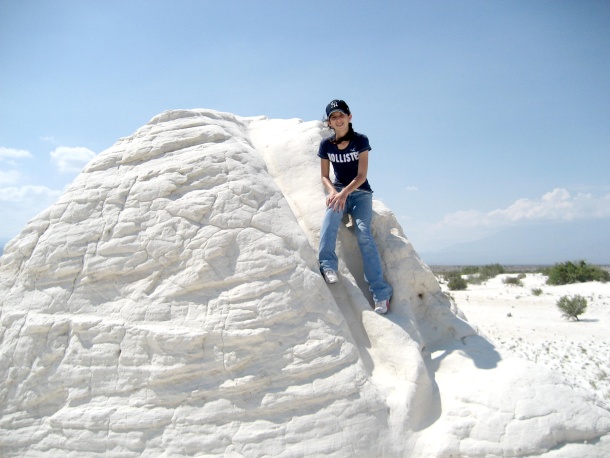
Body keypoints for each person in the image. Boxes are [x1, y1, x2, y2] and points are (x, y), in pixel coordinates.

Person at [317, 99, 393, 314]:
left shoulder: (360, 141)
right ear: (329, 123)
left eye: (341, 115)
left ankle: (381, 293)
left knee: (363, 233)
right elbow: (324, 176)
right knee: (330, 218)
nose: (338, 120)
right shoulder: (326, 145)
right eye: (333, 117)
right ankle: (328, 265)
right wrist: (333, 192)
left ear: (349, 117)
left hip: (360, 194)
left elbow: (362, 176)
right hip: (339, 191)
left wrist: (343, 193)